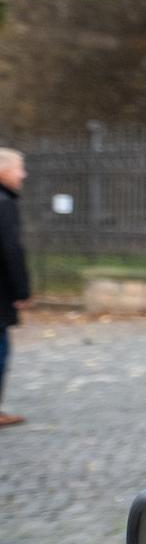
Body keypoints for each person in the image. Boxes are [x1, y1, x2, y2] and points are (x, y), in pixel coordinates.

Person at [0, 149, 27, 429]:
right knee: (1, 349)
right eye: (20, 168)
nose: (23, 174)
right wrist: (22, 291)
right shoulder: (4, 203)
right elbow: (11, 250)